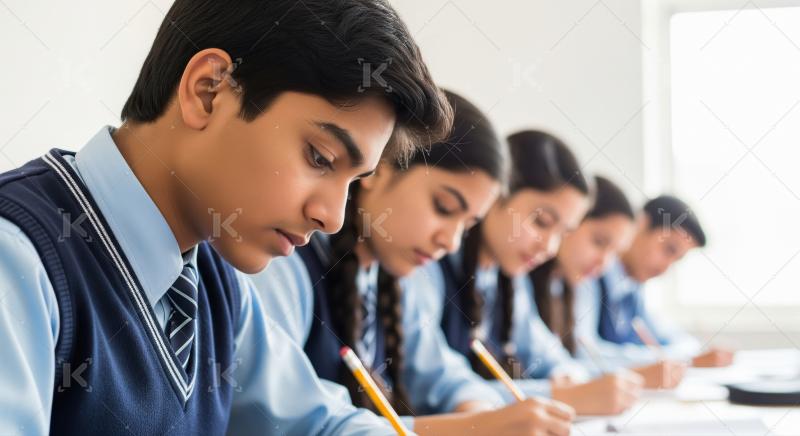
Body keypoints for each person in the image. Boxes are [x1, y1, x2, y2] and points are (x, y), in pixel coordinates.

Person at [0, 0, 453, 434]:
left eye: (354, 181)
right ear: (209, 91)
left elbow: (315, 425)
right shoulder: (19, 257)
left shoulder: (214, 278)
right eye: (319, 157)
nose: (333, 218)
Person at [253, 93, 574, 436]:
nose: (450, 242)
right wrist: (472, 428)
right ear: (379, 168)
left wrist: (478, 411)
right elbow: (287, 422)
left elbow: (443, 376)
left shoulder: (391, 278)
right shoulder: (285, 263)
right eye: (444, 207)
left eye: (467, 226)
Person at [574, 194, 733, 377]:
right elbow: (584, 353)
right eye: (668, 249)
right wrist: (685, 360)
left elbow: (670, 338)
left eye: (677, 260)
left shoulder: (632, 290)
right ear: (641, 224)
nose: (665, 268)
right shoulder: (590, 273)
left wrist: (692, 355)